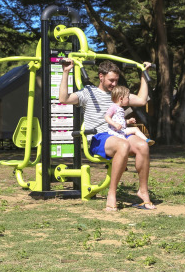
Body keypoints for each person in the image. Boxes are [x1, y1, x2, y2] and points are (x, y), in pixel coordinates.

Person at [59, 59, 155, 211]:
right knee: (123, 145)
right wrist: (66, 72)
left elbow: (142, 100)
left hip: (119, 134)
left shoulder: (118, 94)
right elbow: (63, 99)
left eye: (116, 80)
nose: (114, 84)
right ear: (101, 76)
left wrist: (144, 74)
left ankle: (143, 191)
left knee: (142, 145)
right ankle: (112, 194)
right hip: (99, 138)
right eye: (111, 80)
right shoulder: (88, 92)